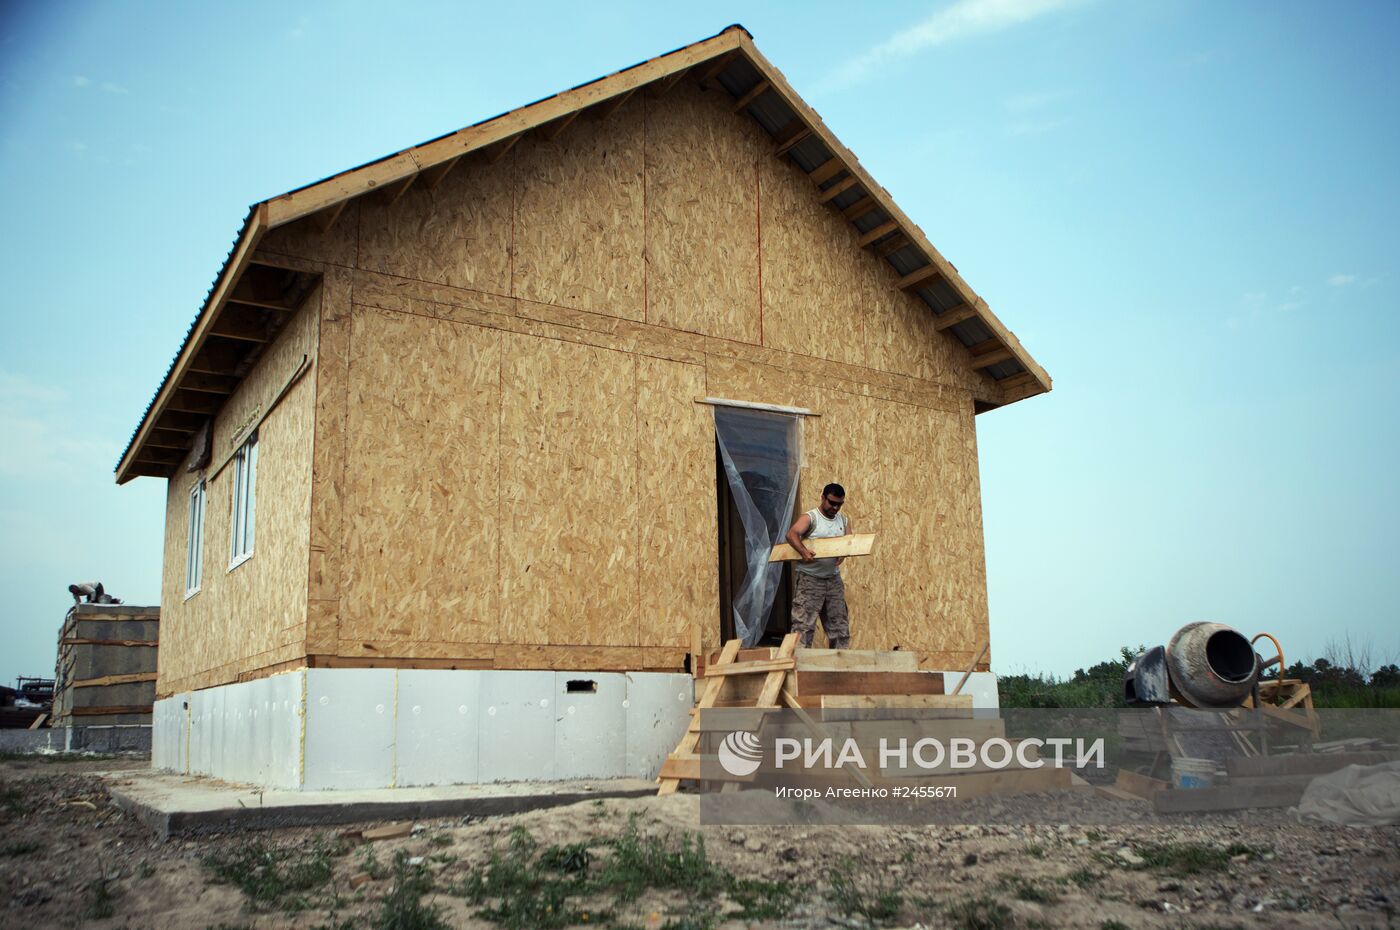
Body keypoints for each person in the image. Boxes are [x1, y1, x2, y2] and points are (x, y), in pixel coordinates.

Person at [785, 483, 851, 649]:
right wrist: (803, 551)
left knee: (839, 626)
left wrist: (843, 553)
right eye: (831, 502)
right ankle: (800, 668)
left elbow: (850, 541)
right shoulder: (810, 518)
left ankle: (840, 666)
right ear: (823, 498)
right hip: (810, 580)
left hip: (833, 579)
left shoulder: (843, 520)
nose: (835, 507)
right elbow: (792, 534)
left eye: (839, 504)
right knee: (803, 626)